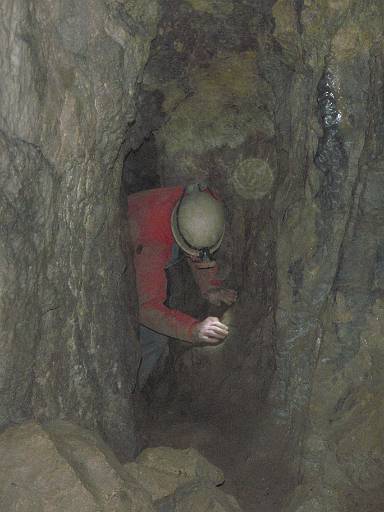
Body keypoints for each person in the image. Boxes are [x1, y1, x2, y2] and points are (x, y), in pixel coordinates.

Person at [127, 183, 237, 388]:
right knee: (154, 341)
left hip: (166, 226)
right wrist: (193, 330)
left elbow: (197, 243)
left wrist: (209, 287)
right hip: (126, 255)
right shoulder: (152, 243)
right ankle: (130, 396)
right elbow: (147, 309)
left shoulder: (202, 201)